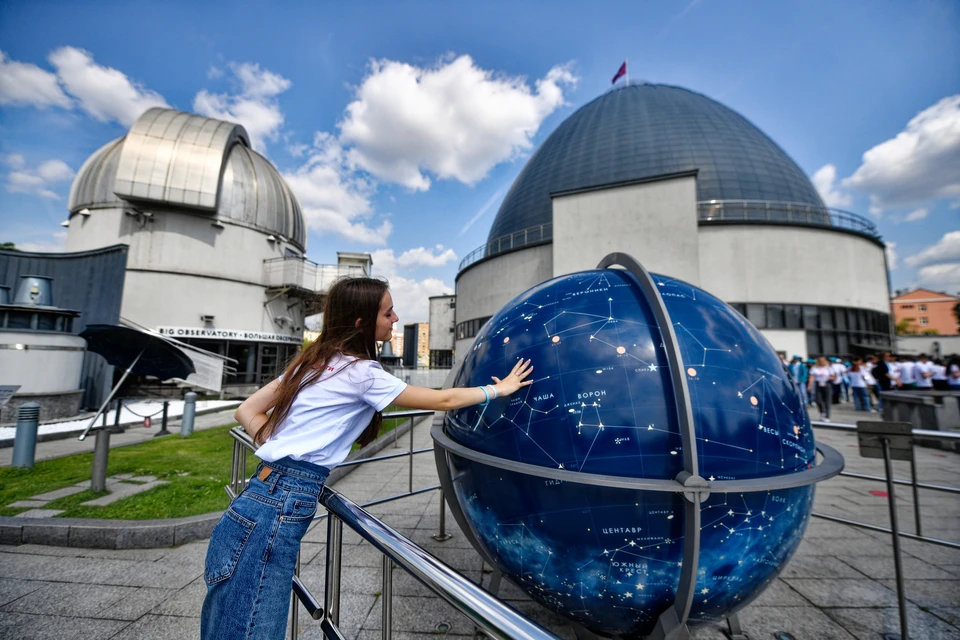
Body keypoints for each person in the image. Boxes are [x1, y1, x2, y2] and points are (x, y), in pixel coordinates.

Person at [200, 278, 534, 639]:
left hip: (255, 499)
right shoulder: (361, 373)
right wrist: (498, 389)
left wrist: (277, 443)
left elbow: (247, 410)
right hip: (278, 508)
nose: (395, 318)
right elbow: (443, 400)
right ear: (361, 322)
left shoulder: (312, 362)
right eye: (388, 312)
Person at [808, 356, 835, 421]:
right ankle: (822, 412)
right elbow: (812, 376)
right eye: (820, 361)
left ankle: (827, 416)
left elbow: (834, 376)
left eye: (822, 361)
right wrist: (809, 385)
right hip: (818, 384)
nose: (821, 362)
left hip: (826, 384)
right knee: (818, 400)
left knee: (827, 401)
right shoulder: (815, 368)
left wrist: (829, 378)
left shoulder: (829, 368)